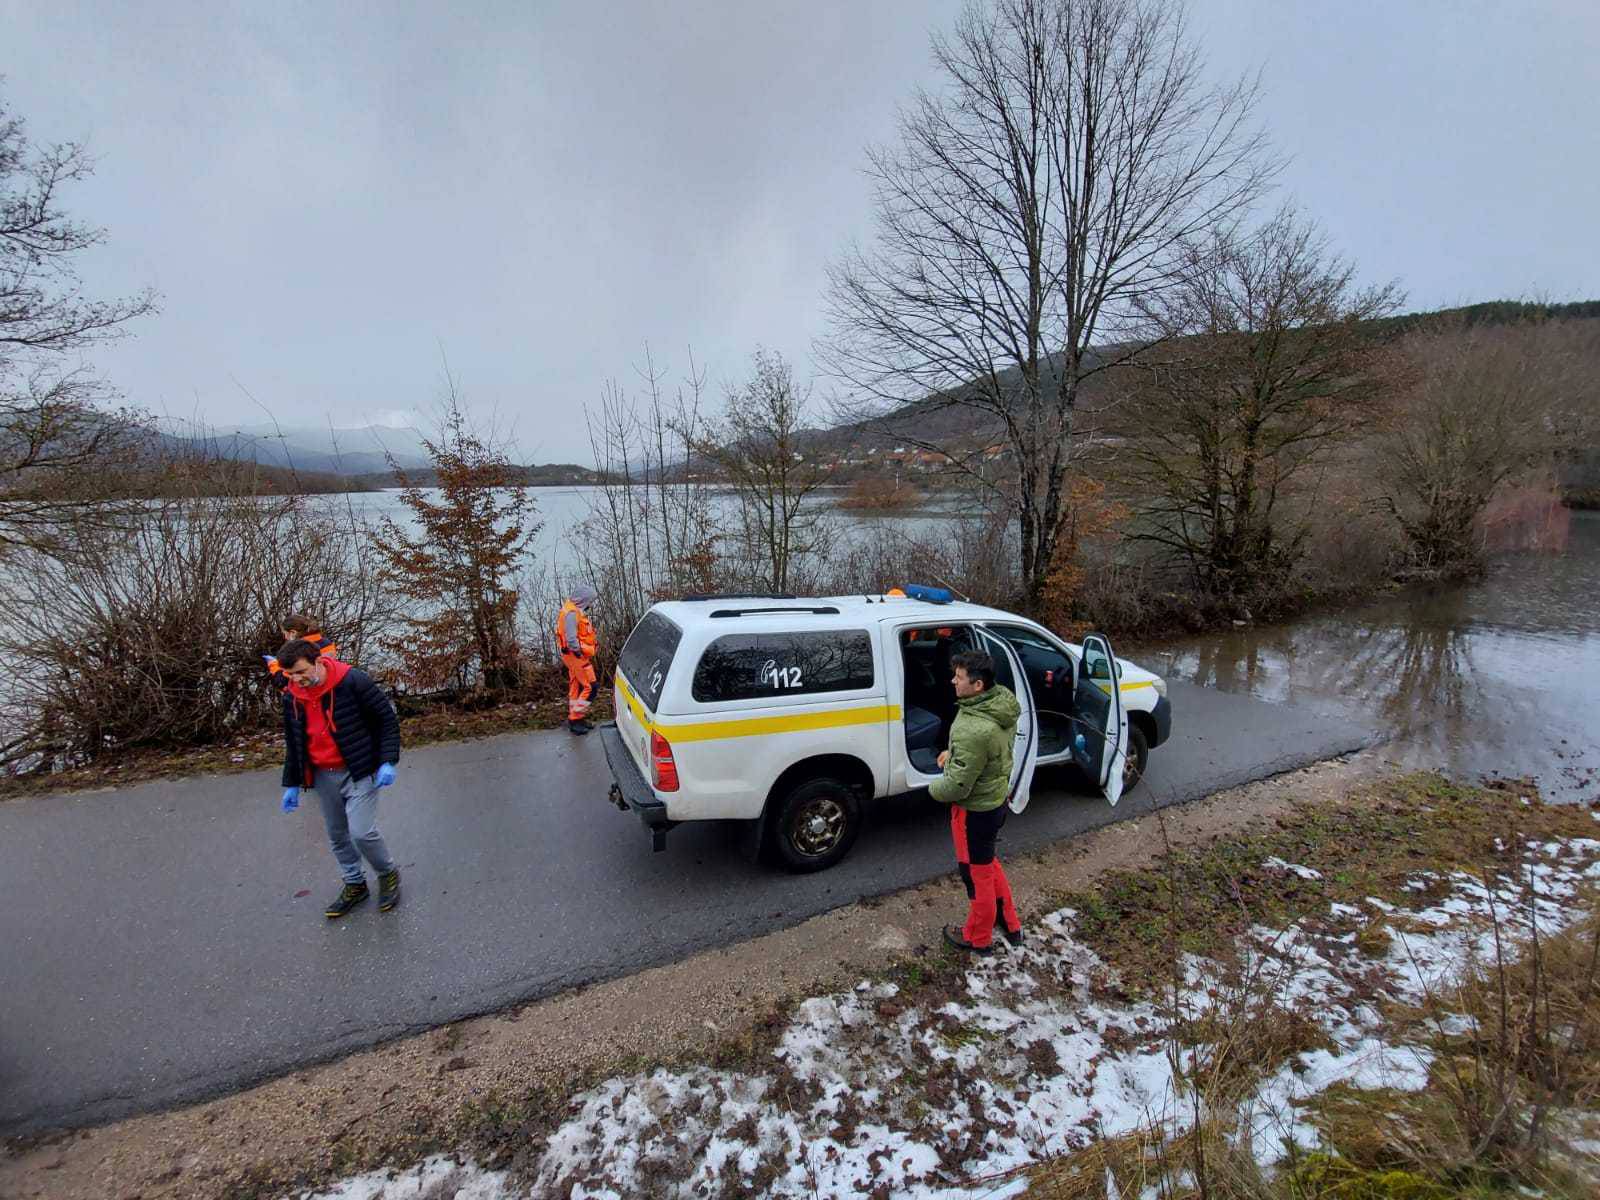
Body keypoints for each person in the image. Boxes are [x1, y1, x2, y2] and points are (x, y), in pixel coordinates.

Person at [276, 638, 403, 918]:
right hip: (323, 774)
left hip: (360, 768)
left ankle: (387, 873)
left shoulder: (352, 681)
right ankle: (355, 883)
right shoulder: (292, 696)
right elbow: (294, 742)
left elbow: (386, 719)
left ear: (318, 662)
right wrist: (292, 784)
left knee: (361, 831)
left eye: (300, 672)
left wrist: (387, 761)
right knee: (337, 834)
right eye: (290, 675)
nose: (297, 679)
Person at [929, 649, 1024, 955]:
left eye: (959, 678)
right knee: (988, 863)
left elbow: (956, 785)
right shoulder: (1001, 702)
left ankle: (977, 937)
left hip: (974, 812)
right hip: (997, 801)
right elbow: (982, 755)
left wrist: (932, 787)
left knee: (976, 874)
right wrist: (954, 755)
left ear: (978, 684)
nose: (953, 681)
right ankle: (1010, 923)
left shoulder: (974, 728)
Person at [555, 584, 599, 735]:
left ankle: (577, 719)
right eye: (590, 601)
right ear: (584, 600)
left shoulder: (571, 609)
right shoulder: (572, 614)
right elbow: (572, 639)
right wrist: (580, 653)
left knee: (576, 687)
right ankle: (575, 718)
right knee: (590, 687)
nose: (591, 605)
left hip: (572, 656)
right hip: (576, 656)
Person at [264, 613, 339, 678]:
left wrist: (274, 665)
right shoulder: (327, 642)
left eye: (285, 634)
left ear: (293, 633)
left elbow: (286, 679)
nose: (285, 637)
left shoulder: (300, 650)